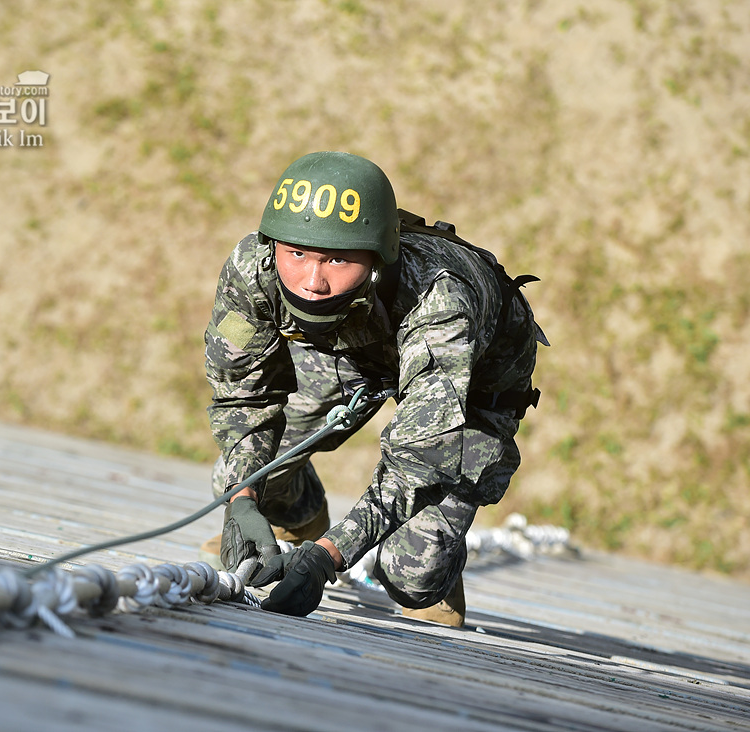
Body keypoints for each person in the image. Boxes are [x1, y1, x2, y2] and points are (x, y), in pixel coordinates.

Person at [203, 151, 548, 624]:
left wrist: (329, 557)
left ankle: (436, 556)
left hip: (470, 385)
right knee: (246, 469)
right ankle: (297, 518)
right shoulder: (255, 266)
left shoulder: (439, 304)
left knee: (413, 574)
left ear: (379, 258)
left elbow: (417, 463)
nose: (312, 281)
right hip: (358, 342)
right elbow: (243, 396)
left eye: (338, 259)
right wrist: (242, 503)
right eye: (297, 253)